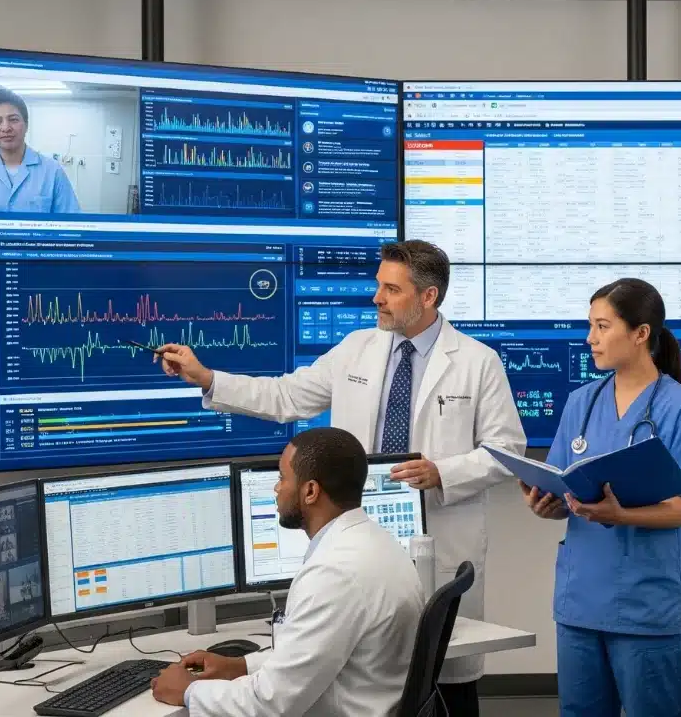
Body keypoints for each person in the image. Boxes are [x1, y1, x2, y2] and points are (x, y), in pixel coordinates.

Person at [154, 240, 526, 716]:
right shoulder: (357, 349)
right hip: (363, 535)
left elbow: (507, 451)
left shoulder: (477, 362)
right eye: (379, 285)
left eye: (391, 289)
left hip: (437, 537)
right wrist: (209, 378)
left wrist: (443, 472)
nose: (377, 297)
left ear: (428, 296)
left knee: (441, 676)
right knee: (359, 665)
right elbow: (288, 396)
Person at [521, 278, 681, 717]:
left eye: (602, 326)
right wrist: (545, 505)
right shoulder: (581, 402)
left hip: (644, 605)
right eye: (590, 325)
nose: (590, 338)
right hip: (579, 603)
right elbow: (564, 486)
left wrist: (620, 514)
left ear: (641, 333)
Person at [150, 427, 424, 716]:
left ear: (310, 491)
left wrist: (188, 691)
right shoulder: (378, 543)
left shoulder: (335, 574)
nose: (276, 489)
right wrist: (239, 665)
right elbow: (310, 656)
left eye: (282, 478)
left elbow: (269, 704)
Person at [0, 89, 80, 213]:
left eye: (13, 119)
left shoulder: (53, 172)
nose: (6, 128)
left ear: (26, 124)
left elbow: (71, 219)